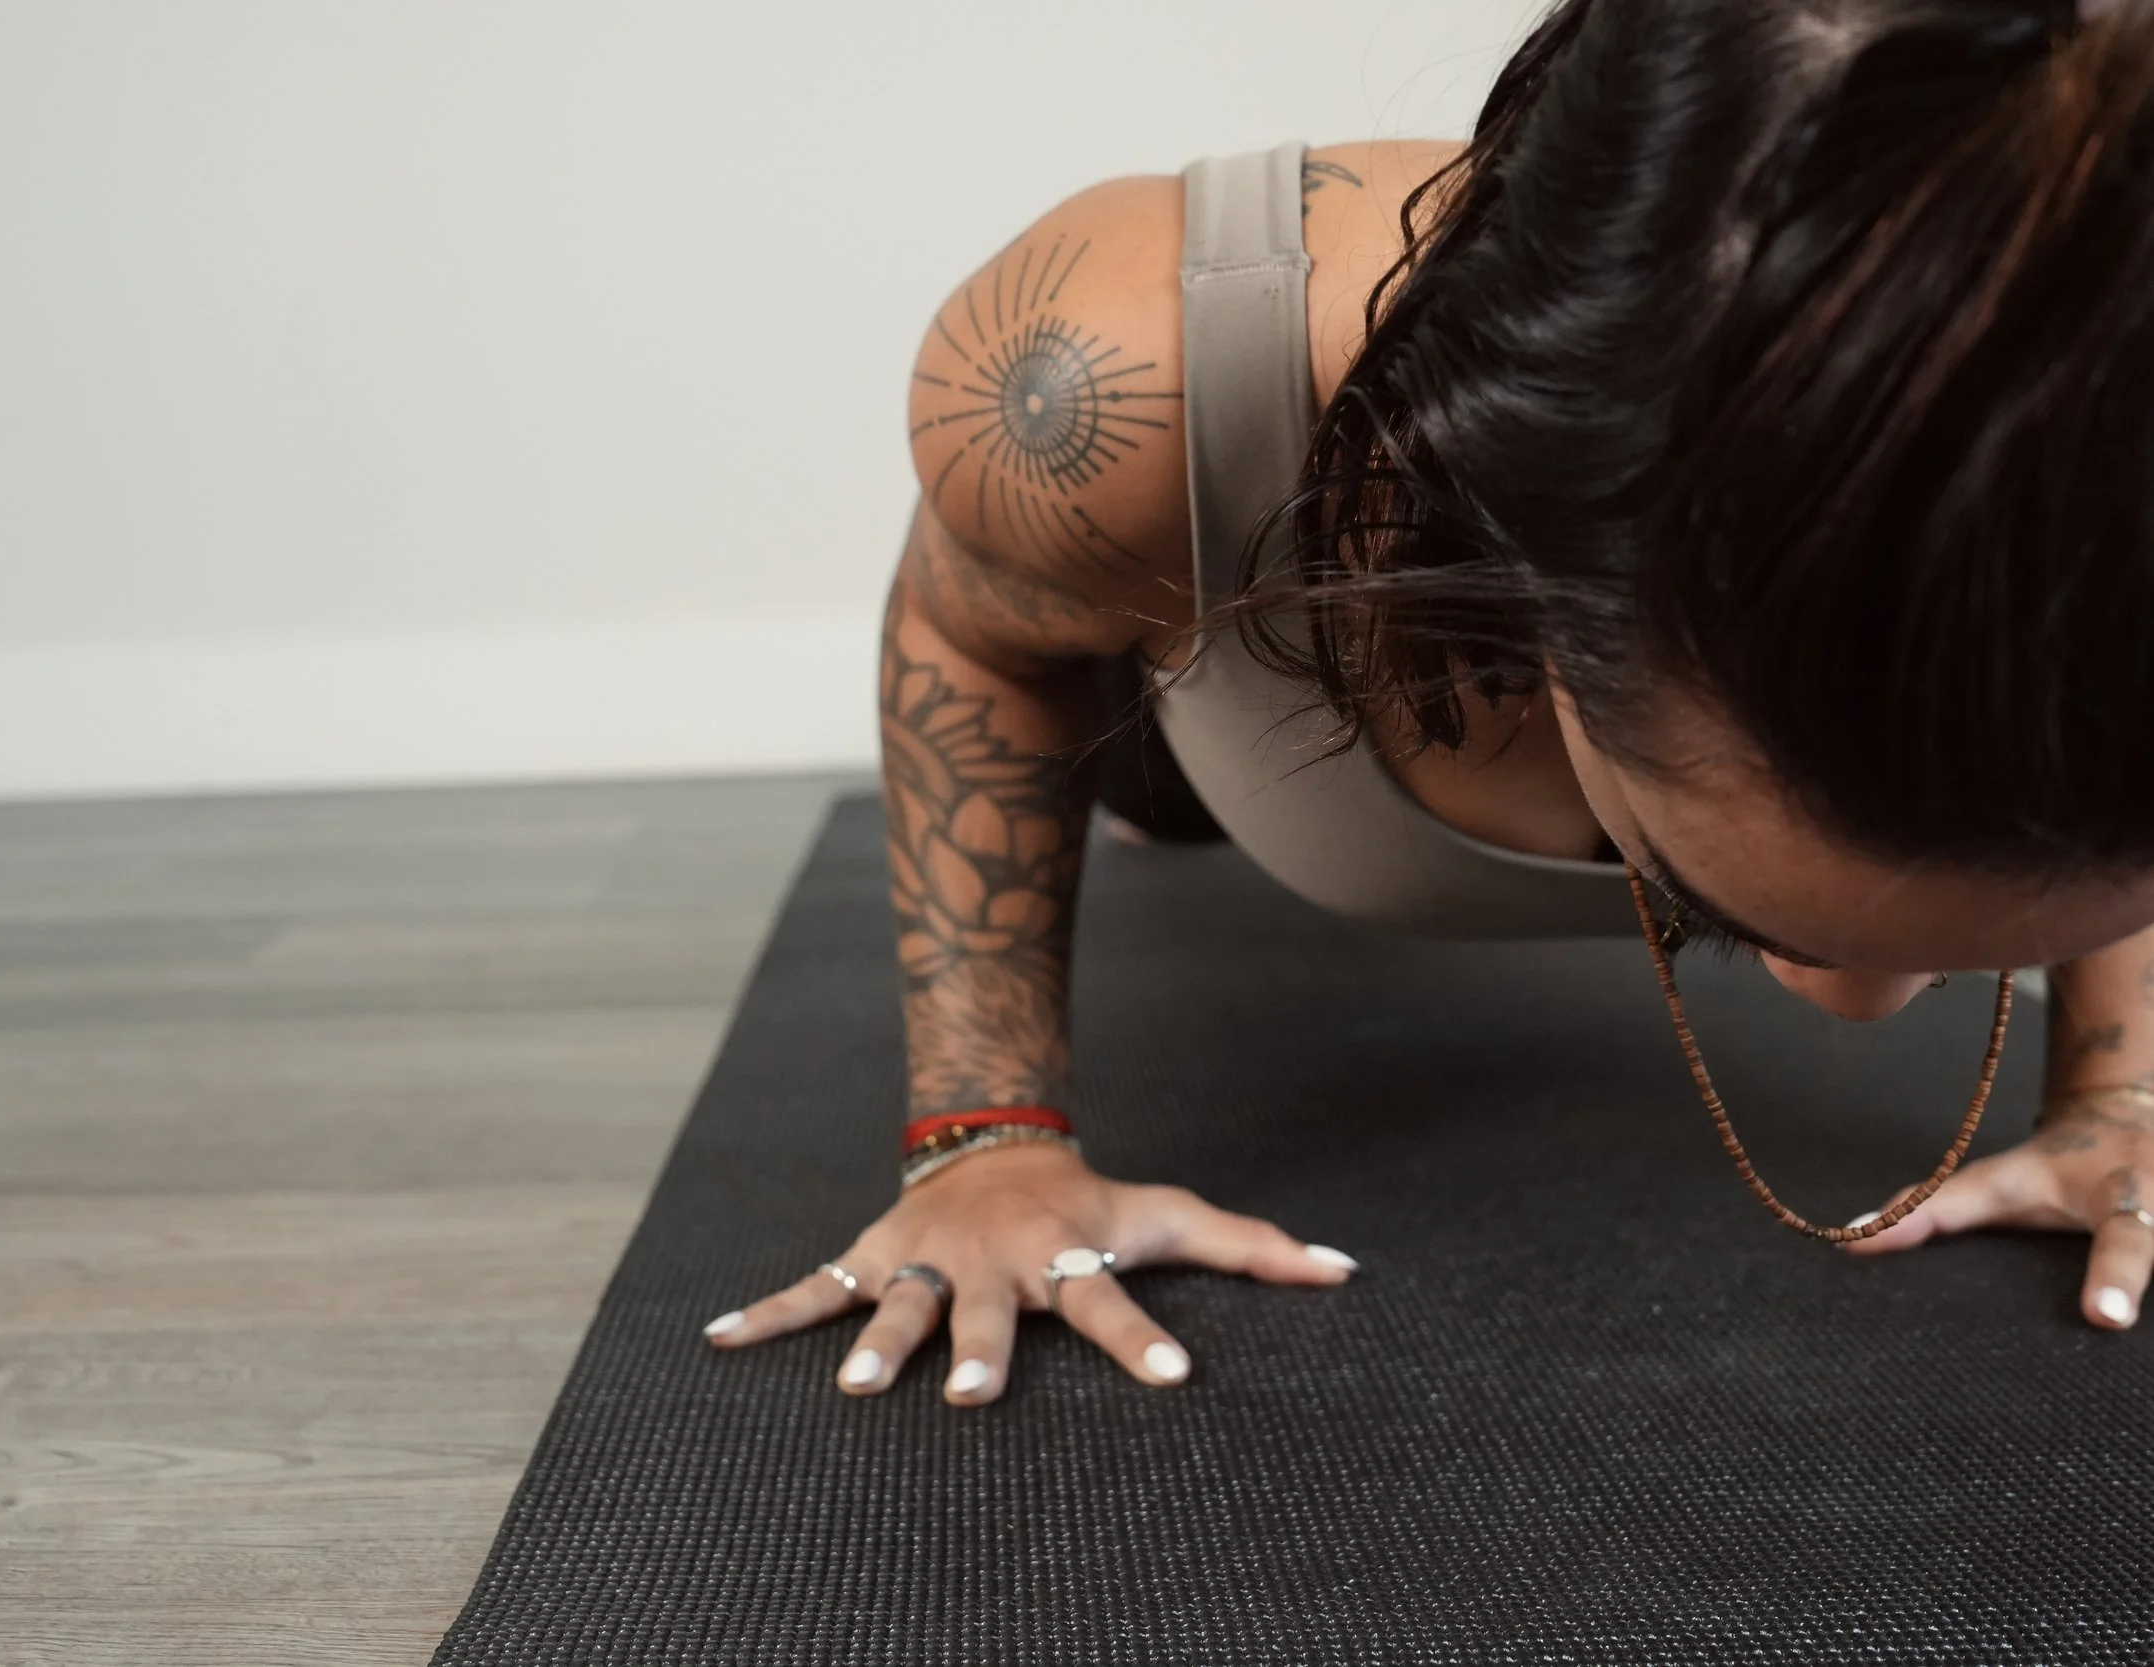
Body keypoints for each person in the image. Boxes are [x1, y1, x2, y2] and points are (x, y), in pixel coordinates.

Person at [706, 0, 2154, 1406]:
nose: (1857, 1008)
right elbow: (978, 642)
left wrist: (2120, 1097)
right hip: (1198, 698)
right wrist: (984, 1139)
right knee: (1146, 762)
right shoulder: (1111, 387)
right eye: (1742, 915)